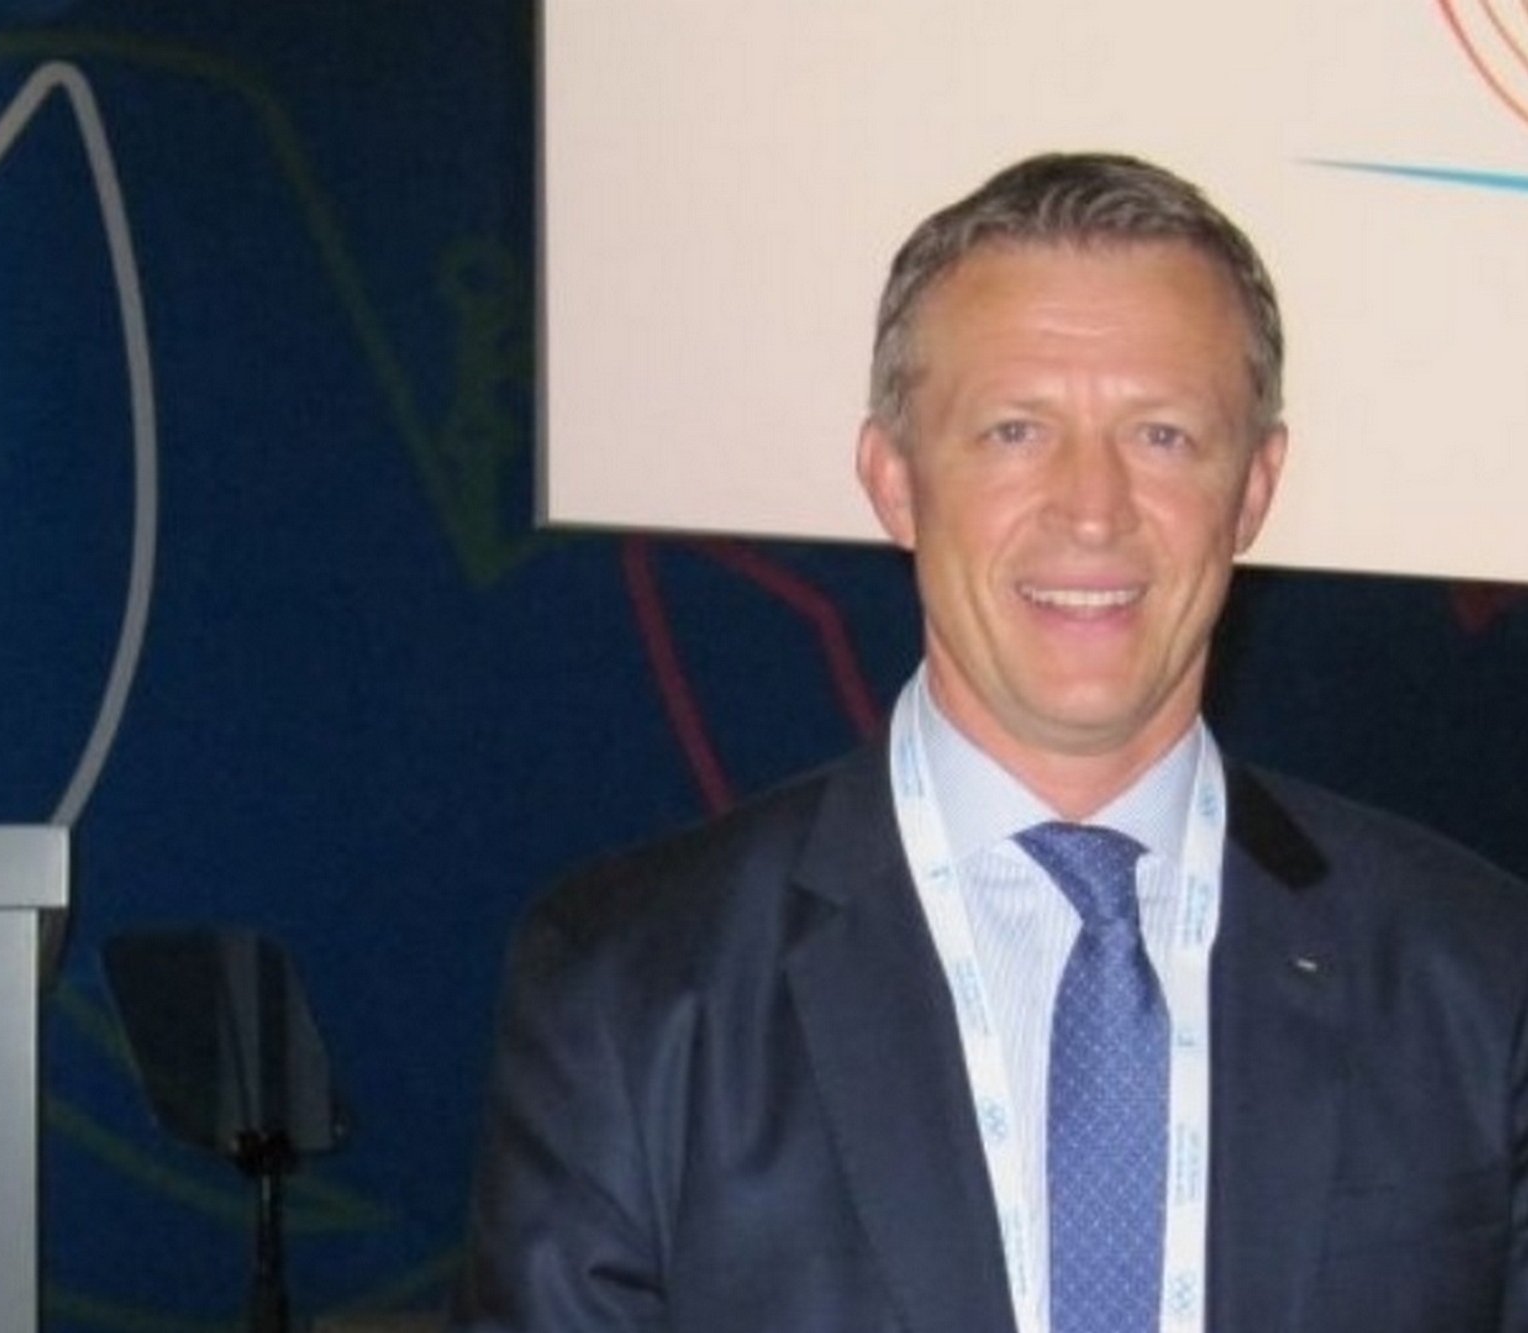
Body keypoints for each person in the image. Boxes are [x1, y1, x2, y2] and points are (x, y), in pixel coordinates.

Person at [446, 152, 1528, 1333]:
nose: (1091, 509)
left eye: (1162, 435)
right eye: (1015, 431)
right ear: (892, 480)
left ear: (1255, 487)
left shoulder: (1477, 972)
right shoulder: (634, 987)